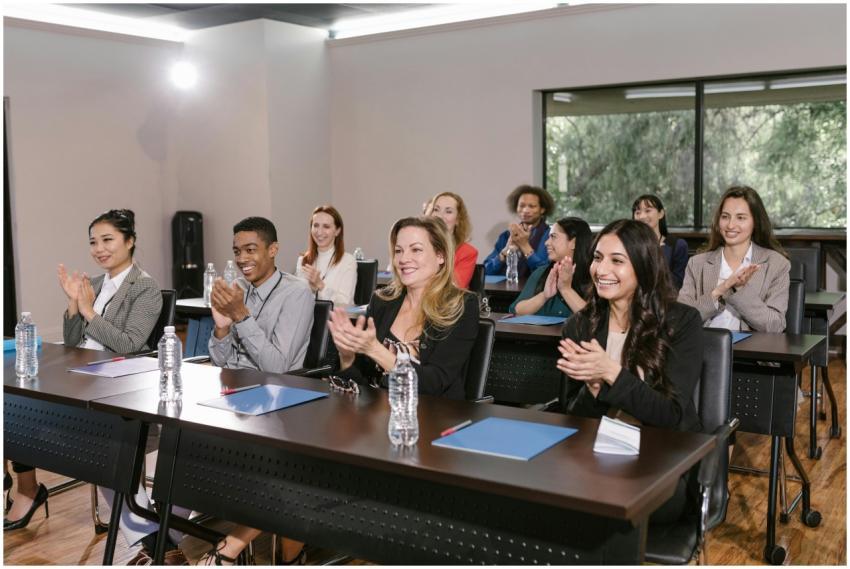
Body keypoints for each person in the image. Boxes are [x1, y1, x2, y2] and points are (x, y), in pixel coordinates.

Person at [199, 217, 479, 565]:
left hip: (429, 429)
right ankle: (270, 555)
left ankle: (229, 550)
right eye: (399, 249)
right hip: (375, 421)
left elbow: (435, 382)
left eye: (416, 249)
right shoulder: (384, 301)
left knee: (306, 469)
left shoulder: (461, 307)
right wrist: (348, 357)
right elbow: (360, 380)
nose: (404, 257)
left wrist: (376, 350)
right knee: (300, 456)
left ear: (440, 256)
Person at [4, 210, 187, 563]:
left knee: (101, 449)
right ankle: (157, 544)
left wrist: (89, 311)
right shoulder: (97, 284)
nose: (99, 249)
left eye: (108, 240)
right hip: (83, 383)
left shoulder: (145, 288)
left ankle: (153, 545)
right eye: (93, 242)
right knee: (17, 413)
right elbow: (74, 343)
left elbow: (129, 344)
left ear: (130, 241)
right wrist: (74, 303)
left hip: (121, 391)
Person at [556, 219, 704, 523]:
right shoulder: (579, 325)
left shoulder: (682, 322)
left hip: (660, 462)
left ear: (643, 266)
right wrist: (594, 387)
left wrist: (611, 374)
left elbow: (671, 416)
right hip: (595, 456)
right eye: (598, 258)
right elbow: (571, 415)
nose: (601, 270)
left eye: (617, 261)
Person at [209, 216, 315, 372]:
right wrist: (221, 329)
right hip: (230, 384)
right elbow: (218, 363)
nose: (242, 259)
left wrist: (242, 317)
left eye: (250, 250)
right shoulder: (239, 287)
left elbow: (277, 368)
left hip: (271, 389)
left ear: (273, 250)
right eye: (237, 252)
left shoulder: (297, 293)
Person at [678, 186, 790, 332]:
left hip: (750, 352)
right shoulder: (697, 263)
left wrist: (741, 289)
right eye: (725, 217)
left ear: (755, 222)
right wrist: (719, 291)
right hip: (702, 350)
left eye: (740, 218)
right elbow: (680, 320)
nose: (730, 225)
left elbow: (775, 325)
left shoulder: (777, 264)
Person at [509, 217, 592, 318]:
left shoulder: (594, 276)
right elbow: (517, 310)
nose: (546, 243)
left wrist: (566, 289)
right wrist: (544, 295)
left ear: (573, 243)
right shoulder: (542, 272)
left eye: (553, 237)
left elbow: (594, 319)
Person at [483, 185, 554, 278]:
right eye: (522, 206)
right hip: (503, 290)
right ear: (516, 208)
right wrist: (505, 252)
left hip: (535, 291)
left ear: (542, 209)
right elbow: (485, 271)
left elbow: (544, 273)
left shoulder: (550, 235)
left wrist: (524, 245)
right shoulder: (507, 235)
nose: (525, 210)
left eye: (532, 206)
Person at [296, 205, 358, 305]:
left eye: (326, 226)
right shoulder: (303, 260)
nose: (319, 232)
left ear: (337, 231)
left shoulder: (348, 261)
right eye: (315, 225)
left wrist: (320, 285)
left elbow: (345, 303)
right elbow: (298, 300)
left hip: (334, 319)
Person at [632, 194, 688, 289]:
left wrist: (655, 255)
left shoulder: (677, 245)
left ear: (661, 214)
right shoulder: (628, 244)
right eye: (637, 212)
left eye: (647, 211)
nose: (642, 216)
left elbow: (677, 284)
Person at [426, 191, 478, 288]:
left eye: (448, 211)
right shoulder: (415, 246)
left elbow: (453, 288)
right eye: (436, 209)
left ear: (458, 219)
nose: (440, 216)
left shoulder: (467, 252)